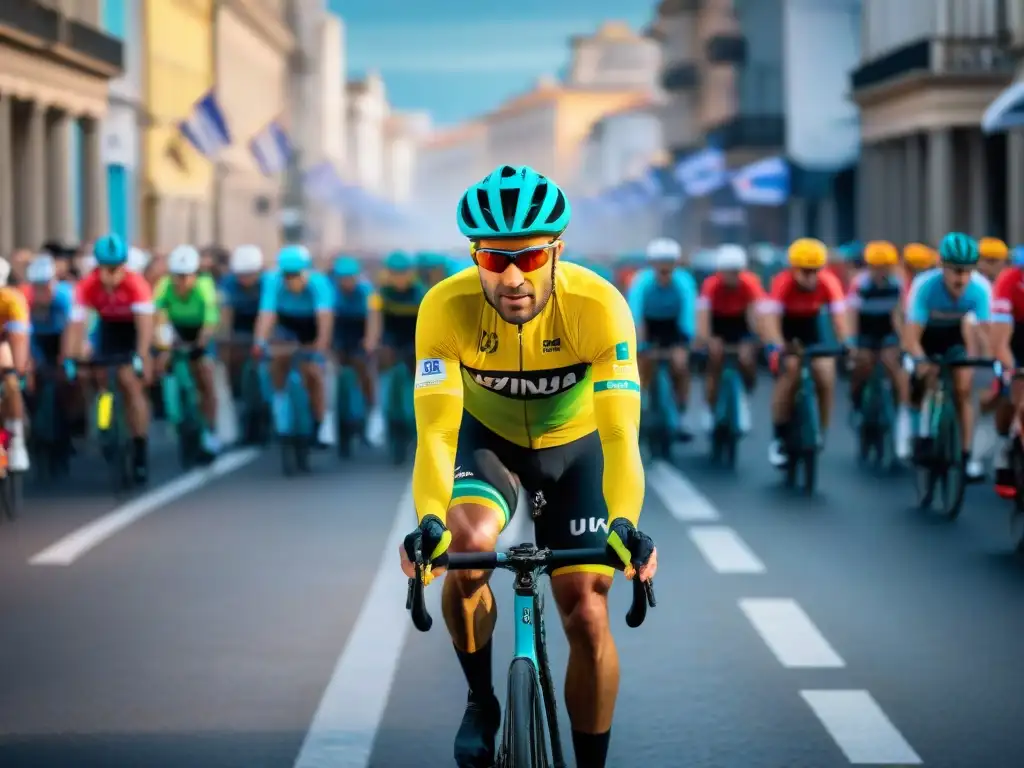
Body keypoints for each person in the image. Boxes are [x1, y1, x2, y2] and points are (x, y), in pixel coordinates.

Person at [400, 164, 656, 768]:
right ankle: (481, 699)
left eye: (531, 259)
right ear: (474, 256)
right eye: (494, 261)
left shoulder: (599, 306)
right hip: (487, 444)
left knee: (588, 609)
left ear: (557, 252)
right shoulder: (443, 307)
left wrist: (626, 523)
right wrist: (428, 521)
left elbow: (621, 433)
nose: (513, 278)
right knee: (463, 550)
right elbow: (436, 431)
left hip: (577, 450)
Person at [64, 234, 155, 483]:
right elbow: (76, 324)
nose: (111, 274)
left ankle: (139, 447)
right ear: (98, 266)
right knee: (101, 377)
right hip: (108, 329)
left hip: (132, 331)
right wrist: (72, 356)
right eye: (106, 268)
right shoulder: (87, 285)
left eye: (116, 268)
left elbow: (145, 327)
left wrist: (141, 356)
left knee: (129, 382)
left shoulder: (136, 285)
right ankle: (104, 423)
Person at [902, 233, 991, 480]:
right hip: (926, 336)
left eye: (967, 271)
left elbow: (986, 335)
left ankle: (966, 455)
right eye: (955, 270)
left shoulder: (981, 289)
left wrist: (989, 363)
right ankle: (921, 435)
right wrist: (921, 361)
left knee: (963, 390)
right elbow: (911, 338)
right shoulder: (924, 286)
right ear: (942, 266)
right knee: (925, 379)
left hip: (954, 337)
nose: (961, 278)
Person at [761, 238, 848, 468]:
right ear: (793, 269)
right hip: (787, 330)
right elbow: (771, 321)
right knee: (790, 372)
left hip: (811, 328)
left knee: (826, 374)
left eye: (815, 271)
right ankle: (778, 437)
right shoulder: (782, 283)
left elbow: (840, 319)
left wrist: (846, 342)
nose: (811, 277)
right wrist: (778, 345)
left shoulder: (829, 282)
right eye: (805, 271)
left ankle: (821, 429)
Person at [252, 244, 334, 447]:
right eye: (286, 275)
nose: (291, 280)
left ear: (306, 271)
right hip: (287, 326)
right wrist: (259, 343)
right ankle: (280, 408)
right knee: (278, 361)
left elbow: (324, 320)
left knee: (314, 373)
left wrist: (321, 347)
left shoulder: (319, 283)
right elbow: (267, 315)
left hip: (311, 327)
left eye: (295, 275)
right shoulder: (273, 281)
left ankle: (320, 422)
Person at [153, 245, 221, 456]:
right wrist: (163, 345)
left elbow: (210, 319)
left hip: (199, 333)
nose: (181, 282)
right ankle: (172, 414)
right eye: (177, 276)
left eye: (186, 276)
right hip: (175, 332)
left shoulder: (204, 286)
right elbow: (156, 315)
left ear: (195, 275)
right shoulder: (164, 286)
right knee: (160, 365)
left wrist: (201, 342)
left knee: (205, 377)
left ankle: (211, 429)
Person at [627, 237, 698, 437]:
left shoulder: (684, 282)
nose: (665, 268)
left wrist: (685, 343)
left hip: (673, 328)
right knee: (643, 365)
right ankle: (638, 410)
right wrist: (641, 344)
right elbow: (636, 315)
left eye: (669, 263)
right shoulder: (641, 281)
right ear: (653, 264)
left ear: (676, 264)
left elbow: (688, 315)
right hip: (649, 326)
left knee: (681, 365)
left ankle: (681, 413)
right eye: (660, 263)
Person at [846, 240, 911, 458]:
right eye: (876, 266)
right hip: (865, 330)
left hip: (887, 331)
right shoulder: (859, 284)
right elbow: (852, 316)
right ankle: (856, 403)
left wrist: (903, 342)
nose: (881, 271)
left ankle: (901, 412)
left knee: (893, 365)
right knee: (863, 364)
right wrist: (853, 344)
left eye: (885, 266)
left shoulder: (898, 283)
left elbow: (900, 314)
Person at [694, 243, 764, 434]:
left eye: (736, 272)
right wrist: (708, 339)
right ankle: (709, 407)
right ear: (720, 271)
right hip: (717, 325)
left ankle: (745, 398)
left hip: (740, 325)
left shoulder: (750, 283)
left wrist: (754, 339)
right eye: (728, 272)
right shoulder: (711, 285)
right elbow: (703, 317)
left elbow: (756, 315)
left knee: (747, 360)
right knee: (714, 360)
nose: (732, 277)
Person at [364, 250, 426, 446]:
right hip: (389, 341)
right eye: (394, 273)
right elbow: (374, 319)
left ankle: (416, 422)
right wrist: (371, 342)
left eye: (403, 272)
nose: (399, 278)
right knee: (386, 381)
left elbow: (428, 323)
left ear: (410, 273)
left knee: (414, 385)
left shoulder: (421, 292)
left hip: (413, 340)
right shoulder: (380, 292)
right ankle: (388, 418)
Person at [986, 245, 1024, 496]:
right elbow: (999, 343)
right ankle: (1005, 447)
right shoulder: (1008, 280)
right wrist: (1013, 370)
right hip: (1015, 340)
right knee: (1015, 397)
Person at [331, 256, 375, 427]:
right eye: (342, 279)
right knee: (340, 370)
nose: (346, 282)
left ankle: (369, 403)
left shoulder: (367, 291)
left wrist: (370, 340)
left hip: (360, 331)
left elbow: (373, 317)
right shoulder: (332, 291)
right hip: (341, 331)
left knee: (364, 369)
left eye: (350, 278)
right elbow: (328, 318)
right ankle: (340, 412)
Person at [219, 245, 265, 391]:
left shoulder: (267, 282)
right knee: (231, 356)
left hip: (262, 319)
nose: (243, 279)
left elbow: (269, 313)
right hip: (238, 323)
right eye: (240, 275)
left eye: (248, 274)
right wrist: (226, 342)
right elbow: (225, 314)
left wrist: (261, 341)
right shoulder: (228, 283)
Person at [0, 257, 31, 471]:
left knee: (11, 381)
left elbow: (18, 339)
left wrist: (16, 371)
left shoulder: (12, 299)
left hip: (4, 341)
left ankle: (17, 439)